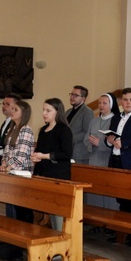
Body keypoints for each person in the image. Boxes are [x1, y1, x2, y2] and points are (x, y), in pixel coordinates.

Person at [0, 100, 35, 261]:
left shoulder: (26, 130)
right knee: (11, 210)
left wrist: (8, 167)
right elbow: (6, 152)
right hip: (11, 174)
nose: (11, 111)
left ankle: (21, 245)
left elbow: (21, 155)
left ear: (23, 113)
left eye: (15, 109)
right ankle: (13, 243)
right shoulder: (12, 129)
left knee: (21, 211)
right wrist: (3, 164)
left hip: (22, 174)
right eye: (11, 108)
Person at [31, 98, 73, 231]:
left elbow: (66, 154)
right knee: (48, 208)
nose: (44, 113)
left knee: (57, 210)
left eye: (48, 110)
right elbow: (40, 150)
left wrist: (44, 156)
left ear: (57, 112)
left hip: (58, 175)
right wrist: (35, 157)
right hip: (43, 174)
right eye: (43, 110)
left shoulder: (64, 130)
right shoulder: (43, 130)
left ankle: (59, 238)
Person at [83, 93, 120, 209]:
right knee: (94, 191)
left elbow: (117, 143)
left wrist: (100, 144)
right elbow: (85, 139)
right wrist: (92, 144)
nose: (101, 105)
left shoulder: (116, 120)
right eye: (99, 103)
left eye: (104, 103)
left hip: (108, 161)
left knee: (107, 192)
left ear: (111, 104)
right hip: (94, 160)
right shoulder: (94, 121)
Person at [0, 93, 22, 169]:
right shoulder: (5, 122)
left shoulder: (16, 125)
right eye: (3, 104)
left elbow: (15, 149)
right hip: (0, 161)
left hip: (9, 164)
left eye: (7, 104)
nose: (4, 106)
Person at [67, 85, 93, 164]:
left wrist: (69, 139)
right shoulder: (68, 112)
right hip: (67, 151)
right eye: (71, 94)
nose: (72, 97)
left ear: (83, 99)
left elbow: (87, 132)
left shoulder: (87, 112)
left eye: (75, 95)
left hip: (79, 154)